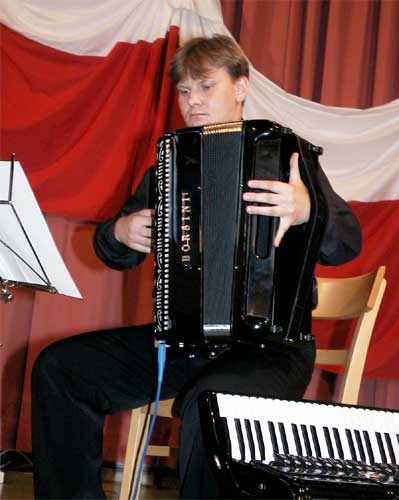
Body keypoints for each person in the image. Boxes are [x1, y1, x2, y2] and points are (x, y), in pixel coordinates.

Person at [31, 35, 361, 499]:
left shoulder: (289, 159)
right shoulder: (168, 167)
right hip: (184, 344)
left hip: (271, 350)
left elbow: (347, 243)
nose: (193, 101)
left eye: (206, 86)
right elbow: (112, 252)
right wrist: (120, 232)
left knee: (209, 404)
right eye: (185, 91)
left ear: (241, 86)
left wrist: (309, 209)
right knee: (62, 368)